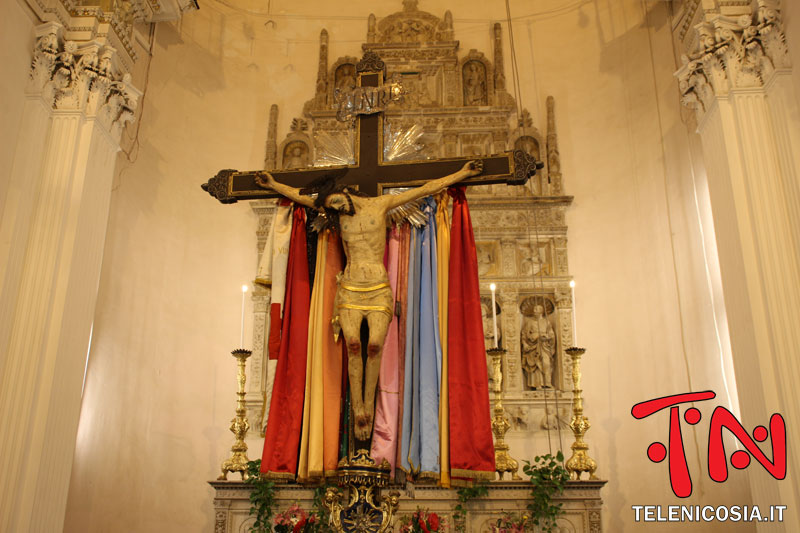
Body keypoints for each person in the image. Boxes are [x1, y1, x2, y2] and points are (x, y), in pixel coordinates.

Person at [255, 160, 483, 439]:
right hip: (350, 288)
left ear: (344, 191)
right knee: (353, 345)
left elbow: (425, 188)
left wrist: (463, 173)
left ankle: (370, 407)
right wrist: (274, 184)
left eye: (336, 201)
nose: (335, 208)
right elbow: (301, 197)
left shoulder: (381, 204)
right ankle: (359, 410)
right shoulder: (335, 212)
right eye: (330, 207)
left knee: (374, 346)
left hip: (377, 288)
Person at [520, 304, 555, 389]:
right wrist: (525, 344)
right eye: (534, 309)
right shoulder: (530, 322)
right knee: (535, 365)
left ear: (541, 311)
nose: (534, 310)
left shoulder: (546, 322)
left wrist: (547, 337)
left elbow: (551, 334)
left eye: (537, 309)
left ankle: (547, 383)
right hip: (533, 346)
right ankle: (537, 384)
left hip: (544, 346)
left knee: (546, 363)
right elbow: (524, 335)